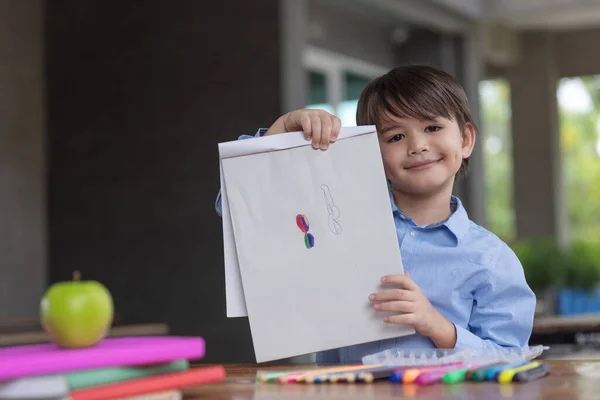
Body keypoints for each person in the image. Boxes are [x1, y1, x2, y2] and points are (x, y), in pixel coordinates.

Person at [215, 65, 536, 364]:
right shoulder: (337, 222)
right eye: (396, 136)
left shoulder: (491, 260)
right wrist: (283, 129)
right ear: (372, 151)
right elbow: (241, 209)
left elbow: (512, 358)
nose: (418, 145)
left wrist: (436, 325)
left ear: (465, 140)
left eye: (433, 127)